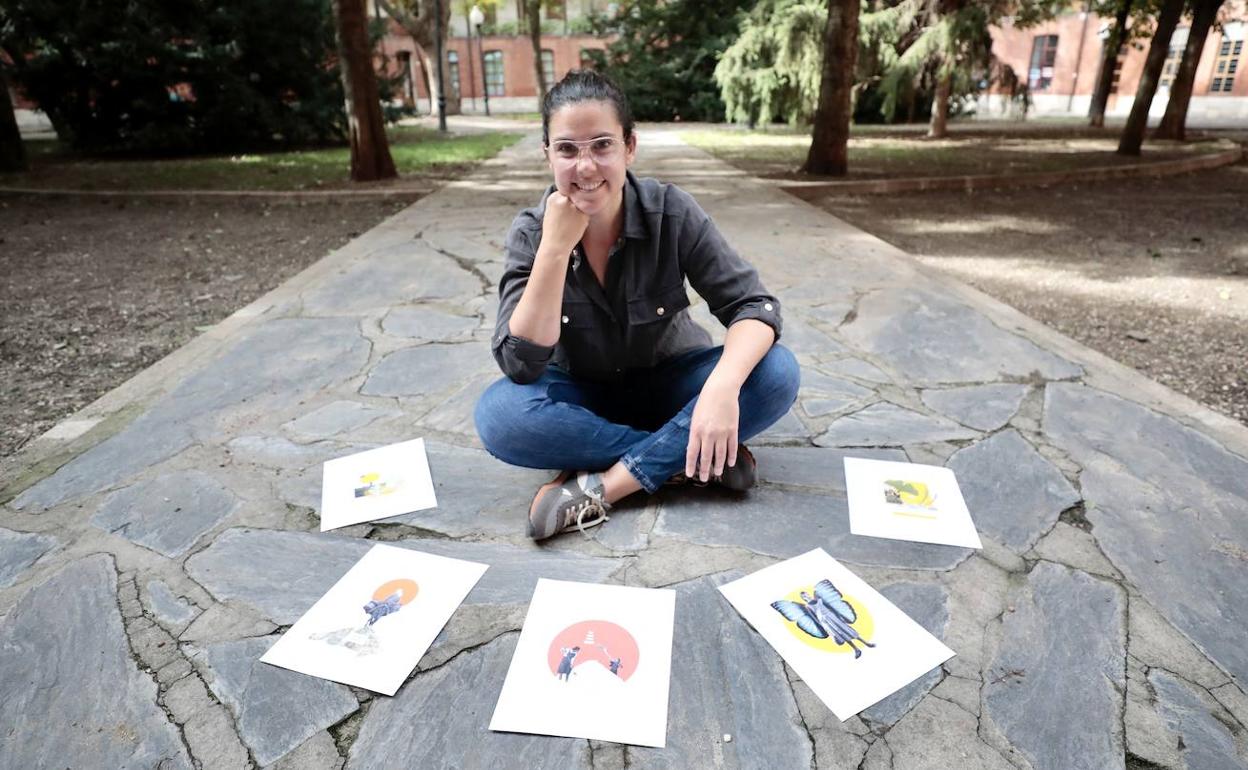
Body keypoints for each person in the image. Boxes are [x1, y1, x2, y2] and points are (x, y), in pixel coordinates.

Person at [474, 70, 800, 541]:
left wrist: (720, 391)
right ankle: (693, 458)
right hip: (580, 393)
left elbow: (754, 306)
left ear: (629, 147)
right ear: (547, 154)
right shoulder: (530, 232)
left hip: (673, 382)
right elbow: (521, 364)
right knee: (499, 416)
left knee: (777, 372)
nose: (585, 167)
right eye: (567, 149)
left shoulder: (671, 212)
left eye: (602, 145)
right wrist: (554, 250)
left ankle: (608, 485)